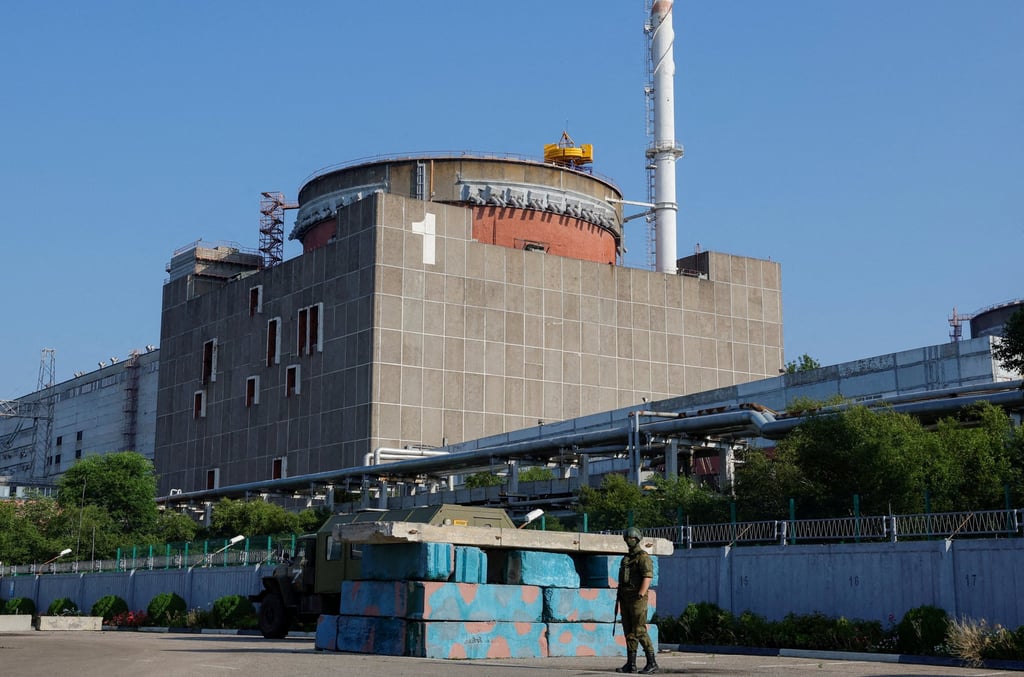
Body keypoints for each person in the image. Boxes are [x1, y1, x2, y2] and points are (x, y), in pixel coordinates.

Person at [616, 527, 658, 674]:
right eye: (627, 538)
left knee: (639, 630)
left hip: (637, 599)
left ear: (637, 539)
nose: (629, 540)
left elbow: (647, 576)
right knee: (629, 631)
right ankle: (631, 664)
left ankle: (652, 662)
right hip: (626, 598)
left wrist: (641, 593)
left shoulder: (643, 557)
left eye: (632, 538)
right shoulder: (626, 558)